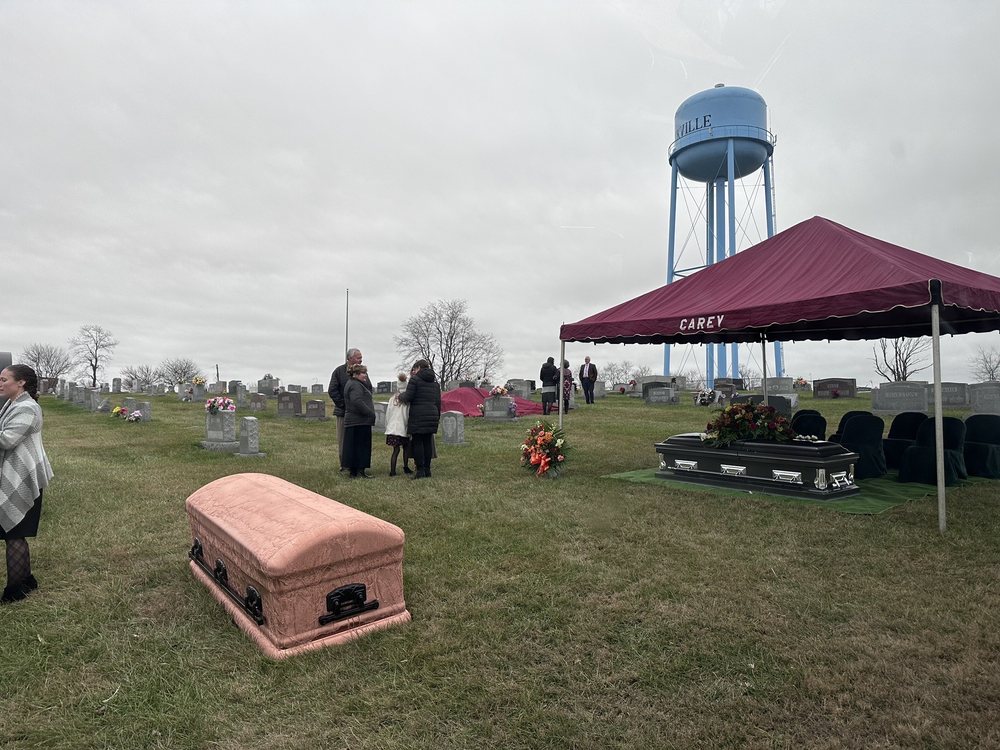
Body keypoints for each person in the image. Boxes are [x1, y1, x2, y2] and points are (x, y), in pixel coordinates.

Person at [1, 364, 54, 604]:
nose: (0, 384)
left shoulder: (28, 407)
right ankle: (27, 580)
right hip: (14, 474)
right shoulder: (13, 404)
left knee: (14, 533)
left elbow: (7, 440)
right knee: (15, 532)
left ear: (21, 382)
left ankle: (15, 591)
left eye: (4, 379)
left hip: (22, 476)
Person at [328, 348, 369, 472]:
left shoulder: (362, 372)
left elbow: (368, 388)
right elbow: (332, 390)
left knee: (357, 440)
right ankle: (345, 465)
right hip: (343, 412)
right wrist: (344, 405)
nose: (360, 360)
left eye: (361, 357)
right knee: (344, 440)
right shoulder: (339, 371)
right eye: (358, 357)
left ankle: (356, 465)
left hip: (359, 413)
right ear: (350, 358)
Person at [398, 359, 440, 479]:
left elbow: (408, 397)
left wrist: (400, 396)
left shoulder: (415, 380)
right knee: (427, 443)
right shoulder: (435, 383)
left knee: (418, 443)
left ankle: (420, 470)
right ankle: (427, 470)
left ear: (419, 368)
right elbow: (438, 402)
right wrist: (437, 417)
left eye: (415, 369)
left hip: (418, 415)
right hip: (432, 414)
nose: (414, 371)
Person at [342, 363, 375, 478]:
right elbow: (357, 401)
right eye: (363, 373)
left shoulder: (354, 383)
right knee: (361, 447)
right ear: (355, 374)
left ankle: (354, 472)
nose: (365, 375)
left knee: (354, 447)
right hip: (359, 421)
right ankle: (359, 471)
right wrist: (369, 412)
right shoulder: (355, 385)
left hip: (355, 421)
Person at [385, 372, 413, 476]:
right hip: (403, 427)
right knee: (406, 448)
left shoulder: (392, 398)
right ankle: (405, 467)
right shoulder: (407, 400)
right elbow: (408, 414)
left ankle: (392, 471)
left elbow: (388, 414)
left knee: (395, 450)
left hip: (392, 428)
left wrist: (387, 426)